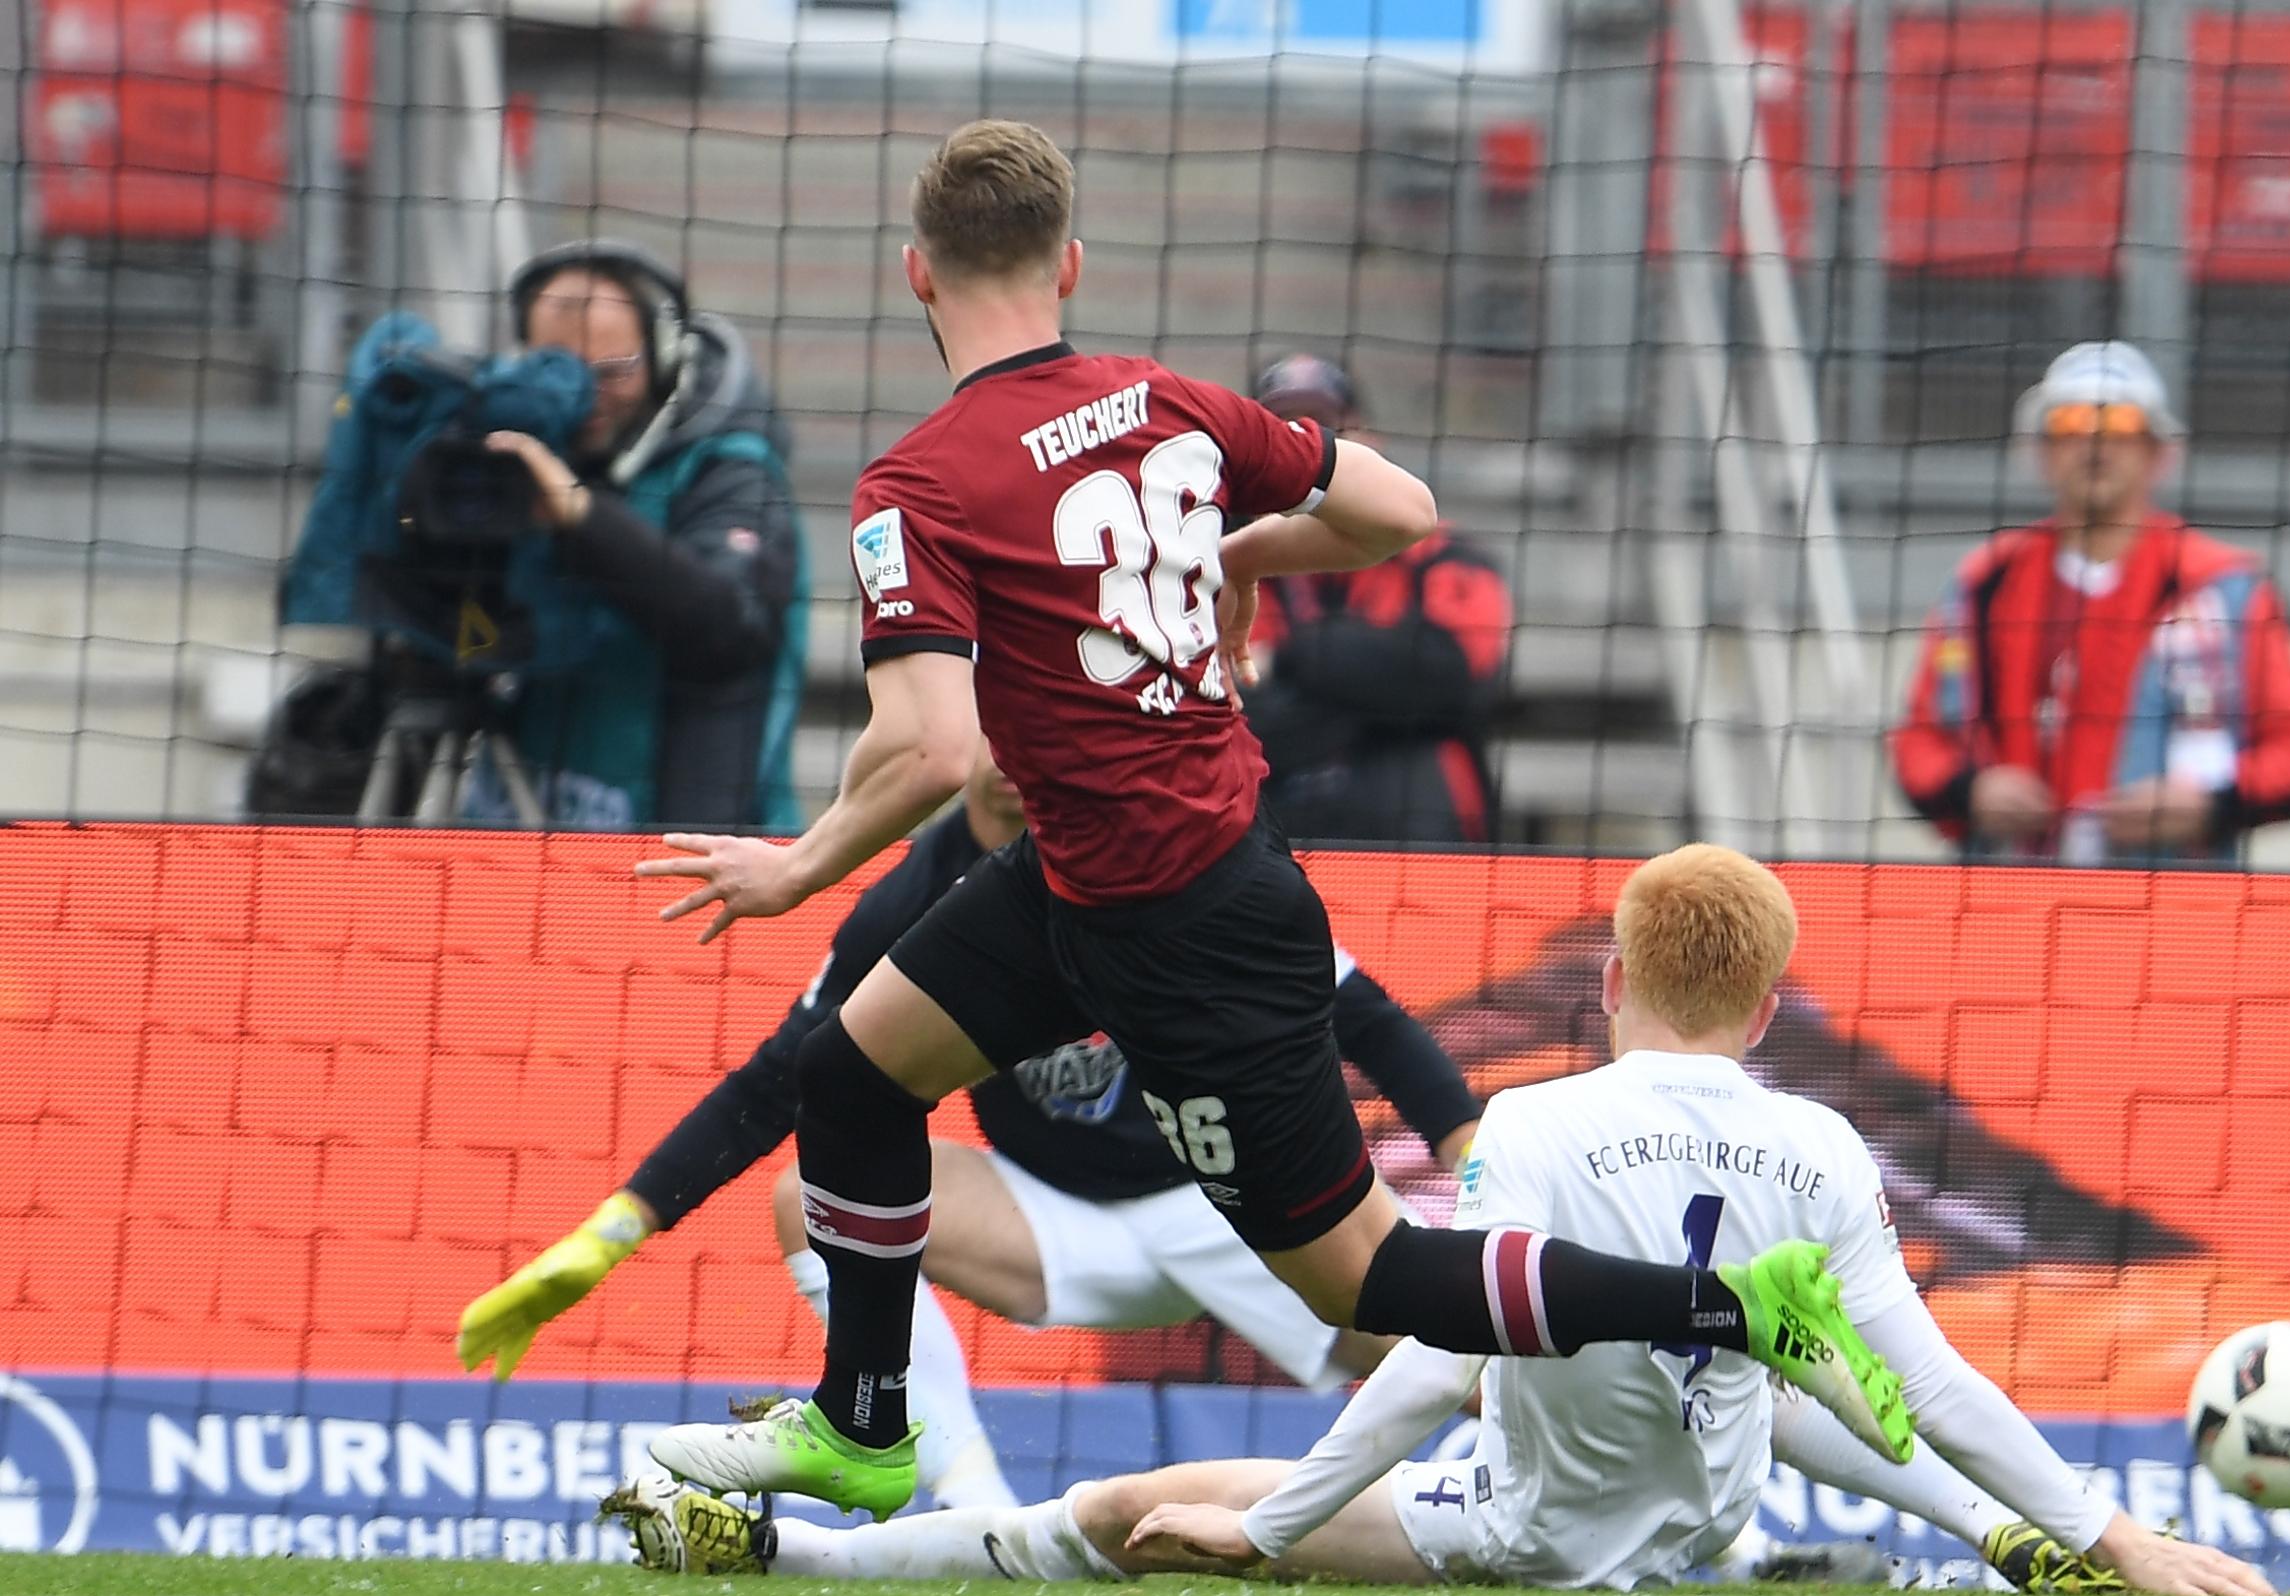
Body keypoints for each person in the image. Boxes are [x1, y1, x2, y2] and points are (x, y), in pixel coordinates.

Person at [628, 119, 1914, 1524]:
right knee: (852, 1075)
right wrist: (1232, 542)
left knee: (1371, 1279)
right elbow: (1401, 509)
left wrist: (797, 865)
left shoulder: (918, 484)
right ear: (1071, 263)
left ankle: (1734, 1303)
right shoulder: (1167, 402)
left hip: (1189, 919)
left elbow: (932, 745)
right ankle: (866, 1423)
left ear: (915, 274)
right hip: (1084, 880)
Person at [608, 846, 2273, 1596]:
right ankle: (2001, 1538)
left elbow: (1431, 1358)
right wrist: (2104, 1528)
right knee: (1774, 1353)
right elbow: (1927, 1381)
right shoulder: (1829, 1144)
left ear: (1611, 979)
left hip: (1516, 1528)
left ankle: (799, 1551)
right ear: (1769, 1007)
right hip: (1700, 1518)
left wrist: (1277, 1522)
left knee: (1125, 1508)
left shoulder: (1534, 1121)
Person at [455, 747, 1482, 1509]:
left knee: (1440, 1347)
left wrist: (1472, 1155)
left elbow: (1369, 1020)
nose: (1018, 752)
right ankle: (972, 1511)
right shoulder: (909, 902)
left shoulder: (1153, 852)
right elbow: (778, 1084)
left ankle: (1555, 1455)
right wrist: (616, 1230)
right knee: (807, 1196)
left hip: (1220, 1199)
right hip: (1054, 1222)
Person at [1890, 341, 2290, 866]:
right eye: (2071, 425)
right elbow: (1918, 742)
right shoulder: (1983, 585)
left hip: (2175, 897)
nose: (2096, 445)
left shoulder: (2226, 590)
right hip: (2008, 897)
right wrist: (1971, 791)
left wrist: (2212, 803)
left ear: (2157, 452)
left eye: (2122, 426)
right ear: (2042, 452)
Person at [467, 240, 809, 830]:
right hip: (529, 829)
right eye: (558, 372)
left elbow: (728, 623)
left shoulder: (732, 471)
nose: (586, 397)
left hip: (692, 849)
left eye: (612, 372)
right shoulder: (519, 455)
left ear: (666, 353)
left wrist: (582, 516)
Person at [1241, 354, 1512, 845]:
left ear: (1369, 443)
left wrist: (1289, 658)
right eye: (1283, 434)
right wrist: (1374, 699)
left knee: (1419, 763)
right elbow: (1238, 714)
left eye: (1325, 429)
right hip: (1278, 818)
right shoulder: (1224, 564)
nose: (1305, 448)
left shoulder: (1445, 554)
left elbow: (1451, 676)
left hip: (1417, 827)